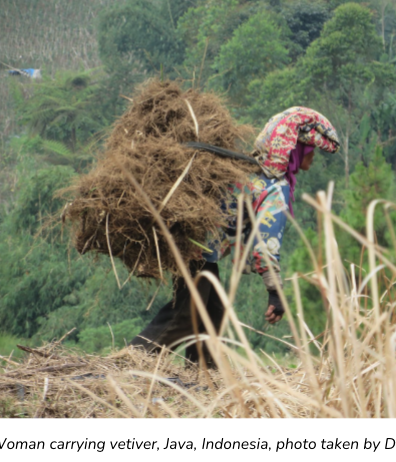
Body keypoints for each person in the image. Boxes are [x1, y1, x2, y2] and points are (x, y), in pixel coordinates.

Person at [129, 107, 340, 366]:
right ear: (294, 149)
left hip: (195, 246)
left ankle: (202, 375)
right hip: (197, 249)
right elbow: (266, 240)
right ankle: (131, 359)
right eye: (310, 150)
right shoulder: (274, 186)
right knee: (184, 315)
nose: (313, 157)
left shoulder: (250, 170)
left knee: (212, 313)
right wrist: (275, 292)